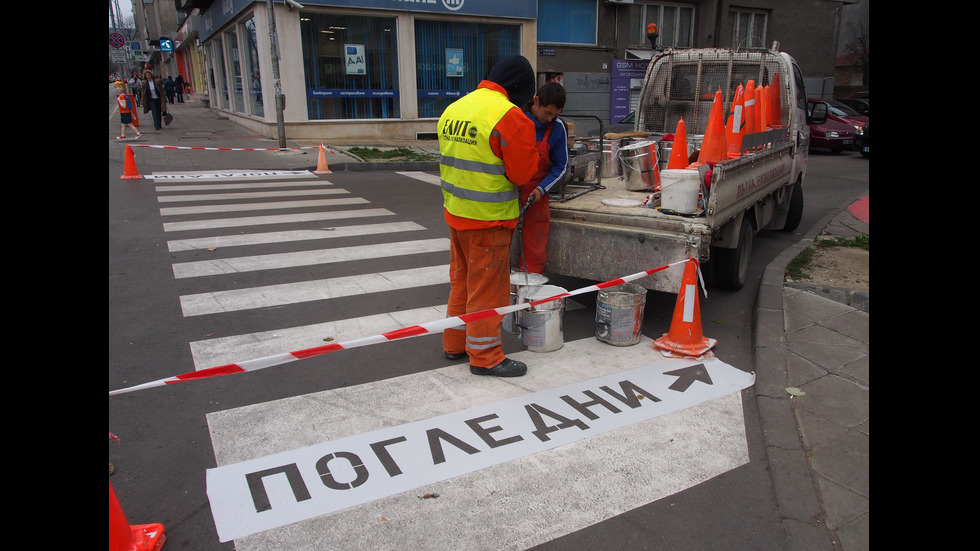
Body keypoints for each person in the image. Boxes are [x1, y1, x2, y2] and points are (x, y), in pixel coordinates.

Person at [439, 55, 539, 378]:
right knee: (487, 290)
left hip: (457, 214)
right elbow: (523, 173)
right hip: (489, 220)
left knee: (462, 283)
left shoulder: (455, 110)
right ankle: (485, 356)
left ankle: (454, 343)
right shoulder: (510, 117)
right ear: (519, 91)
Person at [516, 82, 569, 274]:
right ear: (536, 101)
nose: (550, 119)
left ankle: (529, 296)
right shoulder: (516, 119)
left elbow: (561, 166)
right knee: (499, 246)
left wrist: (541, 189)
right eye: (548, 113)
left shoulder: (557, 128)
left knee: (534, 251)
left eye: (555, 115)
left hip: (537, 193)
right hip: (508, 191)